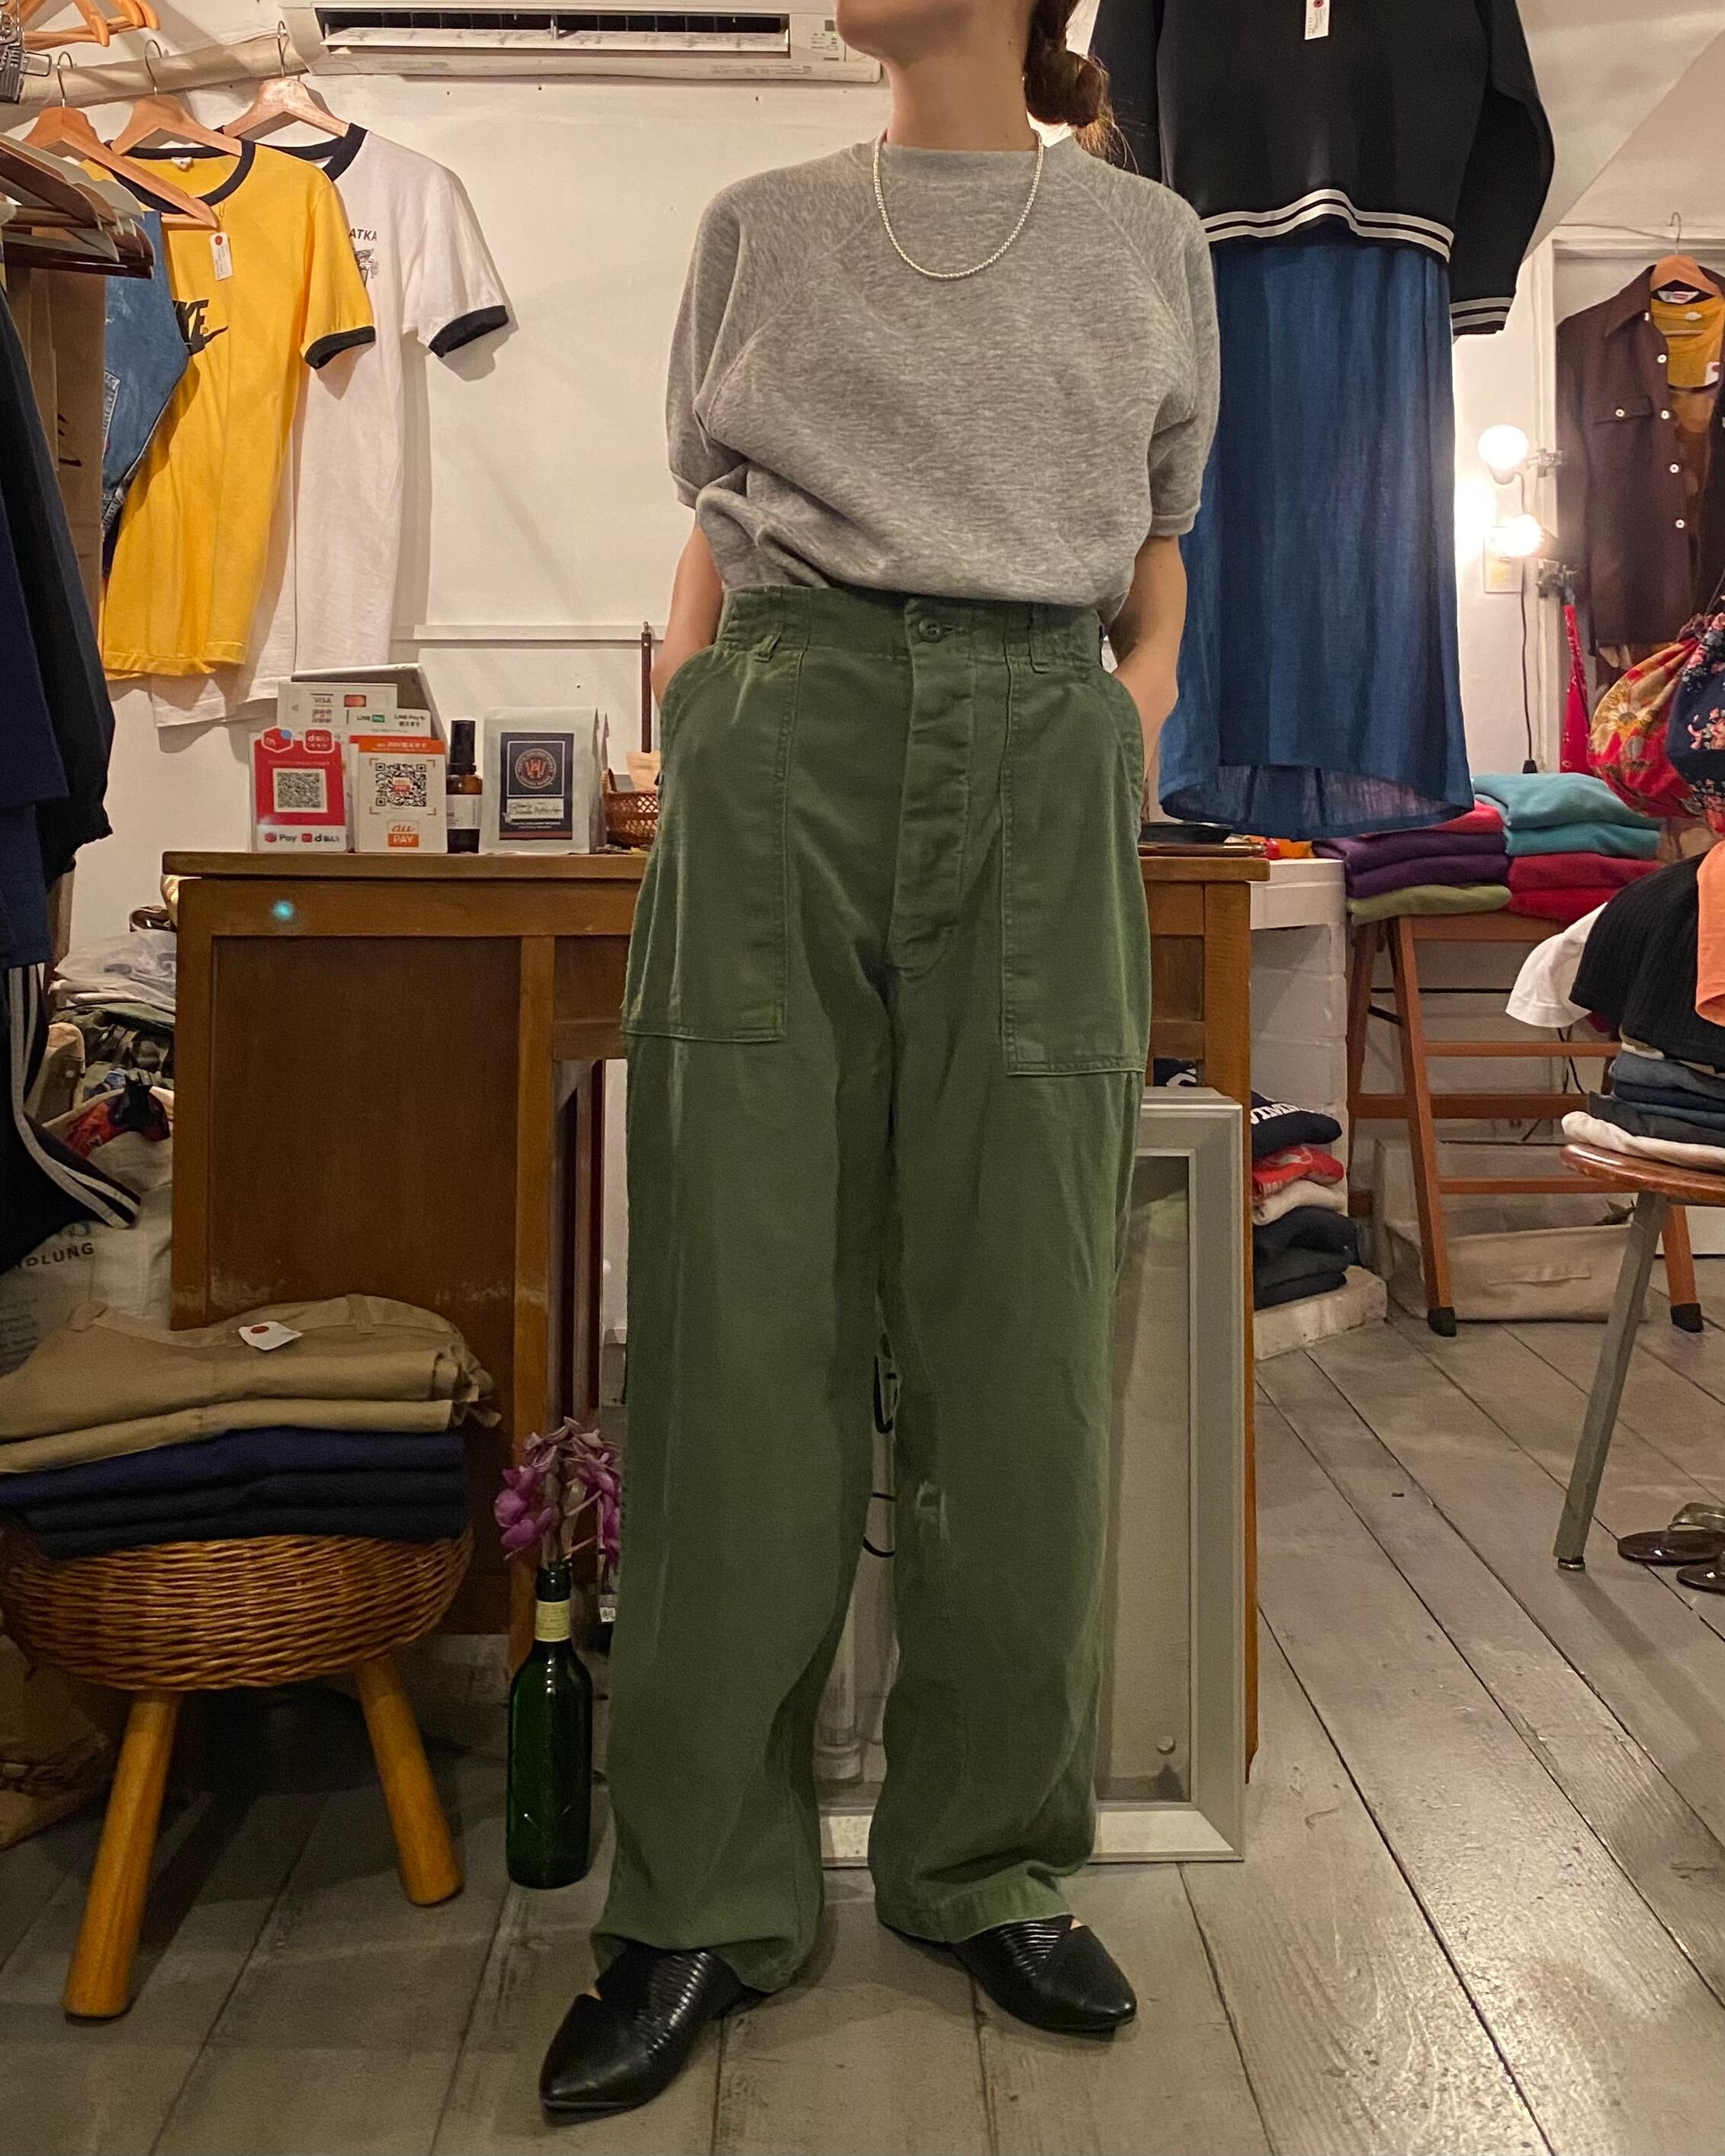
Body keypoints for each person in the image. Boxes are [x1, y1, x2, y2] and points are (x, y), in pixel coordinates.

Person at [540, 0, 1220, 2119]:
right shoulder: (759, 221)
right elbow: (714, 510)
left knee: (1023, 1324)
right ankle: (694, 1892)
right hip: (788, 738)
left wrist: (1136, 707)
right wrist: (689, 705)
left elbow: (1159, 528)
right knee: (740, 1319)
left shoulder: (1149, 240)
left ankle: (988, 1855)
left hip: (1040, 739)